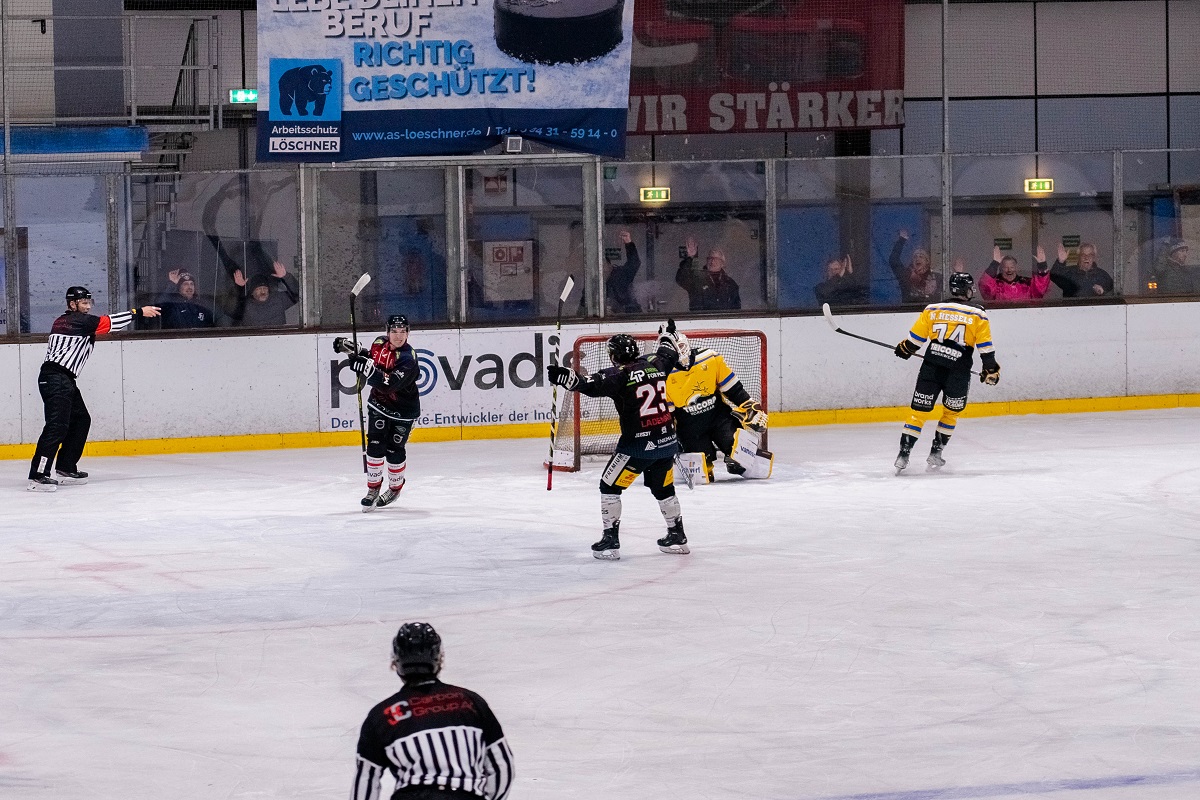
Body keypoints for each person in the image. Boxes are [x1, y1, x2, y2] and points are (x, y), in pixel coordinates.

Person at [547, 323, 689, 559]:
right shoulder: (656, 363)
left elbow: (585, 384)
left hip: (637, 448)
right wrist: (667, 334)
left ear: (613, 356)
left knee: (609, 486)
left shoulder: (618, 375)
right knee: (664, 489)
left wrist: (563, 376)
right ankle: (677, 536)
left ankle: (610, 542)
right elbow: (669, 351)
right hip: (667, 443)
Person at [352, 622, 514, 800]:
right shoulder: (470, 702)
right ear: (439, 659)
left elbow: (366, 780)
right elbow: (502, 766)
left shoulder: (383, 715)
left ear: (396, 663)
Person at [27, 287, 161, 491]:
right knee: (57, 426)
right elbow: (108, 323)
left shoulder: (67, 321)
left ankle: (65, 467)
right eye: (83, 303)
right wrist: (138, 312)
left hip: (63, 379)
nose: (88, 306)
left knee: (81, 420)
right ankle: (38, 474)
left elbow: (98, 328)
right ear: (72, 304)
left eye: (89, 302)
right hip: (56, 378)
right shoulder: (77, 320)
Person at [892, 271, 1000, 472]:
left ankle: (903, 455)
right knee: (950, 414)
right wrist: (991, 370)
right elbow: (985, 347)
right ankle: (936, 453)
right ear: (966, 289)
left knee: (918, 413)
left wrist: (904, 349)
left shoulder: (933, 309)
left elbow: (914, 341)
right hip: (958, 373)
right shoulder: (978, 314)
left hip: (931, 368)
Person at [334, 314, 420, 510]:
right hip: (378, 404)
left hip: (404, 411)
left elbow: (388, 384)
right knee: (374, 446)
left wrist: (366, 369)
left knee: (393, 450)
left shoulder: (408, 359)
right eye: (394, 331)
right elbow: (371, 358)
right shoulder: (379, 343)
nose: (398, 336)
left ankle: (395, 488)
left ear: (408, 333)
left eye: (403, 332)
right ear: (387, 332)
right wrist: (353, 350)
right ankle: (372, 489)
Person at [664, 333, 772, 481]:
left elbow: (733, 389)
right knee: (701, 473)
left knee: (741, 456)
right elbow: (667, 415)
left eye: (681, 346)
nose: (680, 352)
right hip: (690, 429)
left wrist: (749, 406)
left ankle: (734, 463)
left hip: (719, 419)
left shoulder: (709, 358)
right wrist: (670, 438)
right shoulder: (663, 375)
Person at [675, 237, 741, 311]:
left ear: (722, 263)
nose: (712, 261)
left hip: (723, 321)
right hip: (700, 320)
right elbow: (681, 279)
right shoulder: (697, 279)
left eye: (716, 259)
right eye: (710, 258)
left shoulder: (730, 284)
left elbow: (736, 309)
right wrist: (690, 258)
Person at [233, 260, 299, 327]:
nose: (262, 291)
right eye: (258, 289)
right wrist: (239, 288)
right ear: (252, 293)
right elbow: (233, 308)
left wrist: (286, 277)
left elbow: (298, 294)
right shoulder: (246, 305)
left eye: (265, 288)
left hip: (278, 336)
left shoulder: (278, 299)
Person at [979, 245, 1050, 302]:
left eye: (1012, 267)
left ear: (1016, 267)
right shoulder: (996, 284)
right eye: (1005, 267)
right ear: (1001, 268)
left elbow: (1040, 290)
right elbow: (986, 288)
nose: (1009, 270)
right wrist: (994, 264)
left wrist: (1042, 266)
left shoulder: (1026, 283)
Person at [889, 229, 941, 303]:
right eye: (915, 257)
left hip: (931, 312)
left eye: (921, 256)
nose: (917, 259)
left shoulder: (937, 277)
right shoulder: (906, 276)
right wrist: (901, 240)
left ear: (927, 261)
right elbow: (893, 261)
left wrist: (958, 272)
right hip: (909, 312)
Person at [1049, 242, 1114, 298]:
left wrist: (1103, 292)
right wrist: (1060, 261)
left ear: (1094, 258)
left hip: (1096, 311)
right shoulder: (1069, 272)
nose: (1086, 257)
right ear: (1079, 257)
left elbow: (1114, 294)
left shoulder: (1102, 275)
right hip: (1072, 311)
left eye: (1090, 255)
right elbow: (1053, 277)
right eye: (1083, 255)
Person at [605, 230, 642, 313]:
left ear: (609, 264)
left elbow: (634, 263)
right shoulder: (594, 282)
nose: (603, 269)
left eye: (604, 264)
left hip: (628, 316)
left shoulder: (620, 274)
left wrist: (628, 243)